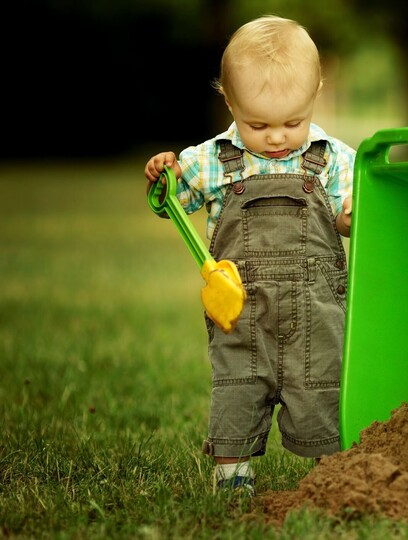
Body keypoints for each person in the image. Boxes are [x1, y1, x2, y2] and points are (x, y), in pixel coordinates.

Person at [144, 15, 354, 496]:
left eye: (293, 122)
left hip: (315, 317)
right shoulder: (213, 159)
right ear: (229, 101)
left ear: (316, 95)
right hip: (240, 315)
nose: (277, 137)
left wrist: (351, 217)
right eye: (258, 123)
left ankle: (333, 483)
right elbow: (175, 201)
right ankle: (233, 482)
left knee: (323, 395)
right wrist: (163, 176)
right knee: (237, 391)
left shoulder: (334, 158)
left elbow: (348, 219)